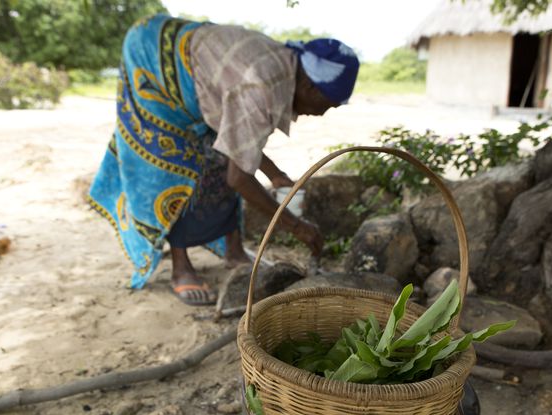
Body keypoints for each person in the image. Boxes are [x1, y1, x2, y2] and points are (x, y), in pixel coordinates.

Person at [89, 14, 359, 305]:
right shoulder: (262, 87)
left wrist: (275, 174)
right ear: (310, 88)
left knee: (222, 155)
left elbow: (240, 141)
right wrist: (296, 226)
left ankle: (234, 251)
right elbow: (239, 177)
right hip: (152, 58)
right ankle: (181, 267)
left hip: (192, 63)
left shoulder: (286, 68)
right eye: (327, 106)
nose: (322, 113)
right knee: (176, 163)